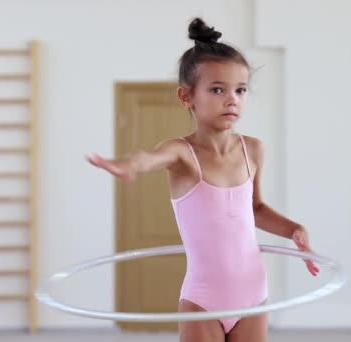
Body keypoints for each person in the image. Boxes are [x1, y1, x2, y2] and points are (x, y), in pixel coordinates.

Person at [87, 17, 319, 342]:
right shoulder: (182, 154)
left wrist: (293, 229)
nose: (232, 99)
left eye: (240, 89)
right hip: (204, 299)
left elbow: (255, 208)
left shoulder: (252, 149)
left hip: (253, 291)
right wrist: (130, 166)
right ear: (186, 97)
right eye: (217, 89)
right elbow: (150, 158)